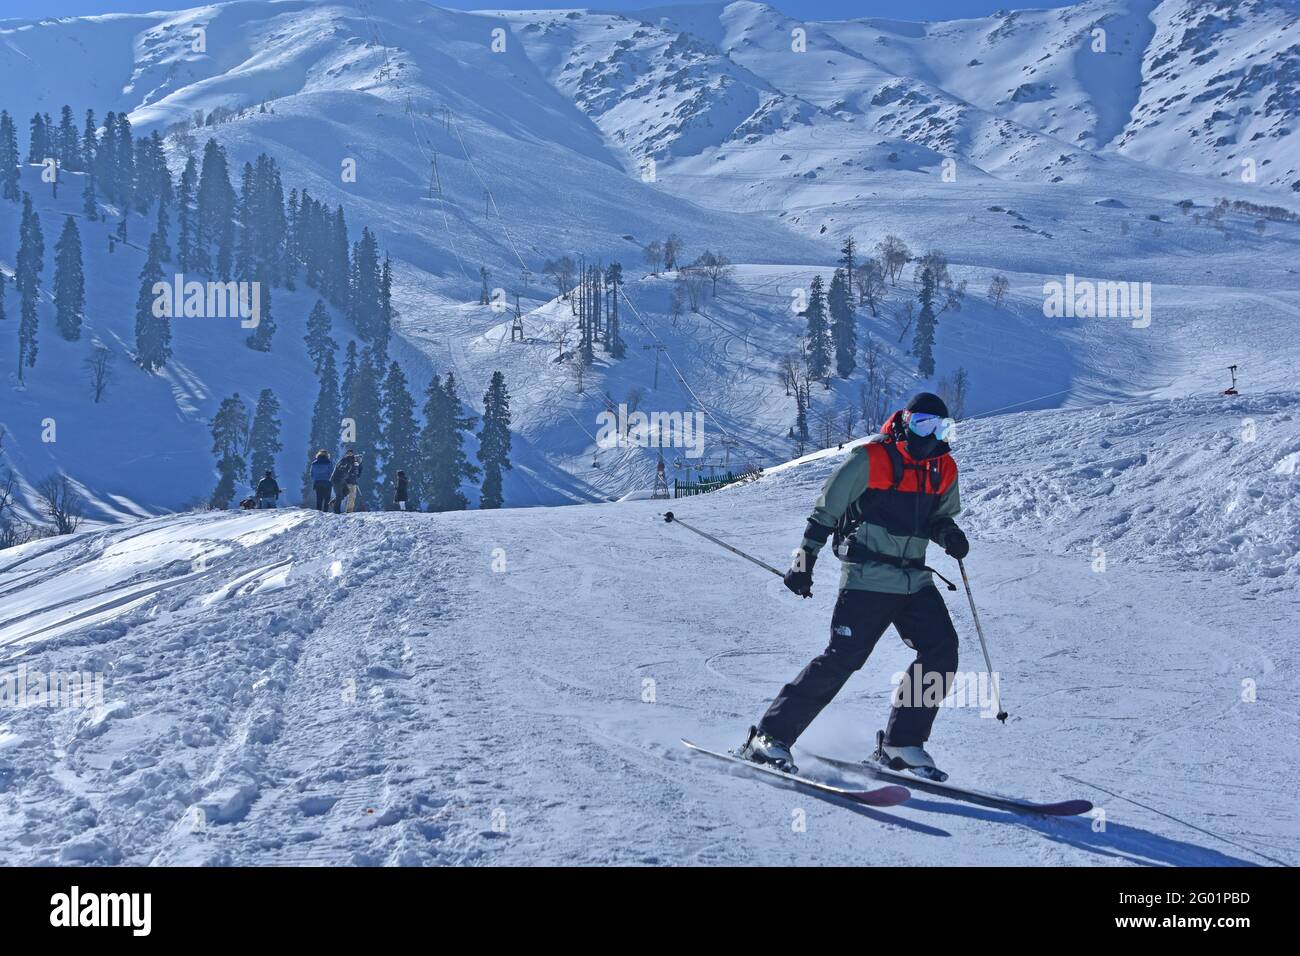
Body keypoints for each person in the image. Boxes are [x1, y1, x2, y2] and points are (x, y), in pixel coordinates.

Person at [740, 392, 970, 781]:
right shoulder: (870, 459)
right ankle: (768, 736)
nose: (928, 434)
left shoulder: (943, 468)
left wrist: (950, 534)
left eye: (938, 427)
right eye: (920, 424)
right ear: (904, 421)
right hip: (867, 577)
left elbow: (939, 517)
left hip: (913, 578)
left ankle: (902, 743)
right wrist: (803, 563)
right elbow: (823, 513)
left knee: (942, 651)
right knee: (843, 658)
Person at [330, 449, 362, 514]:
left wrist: (355, 469)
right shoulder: (343, 460)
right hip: (336, 479)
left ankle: (333, 502)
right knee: (339, 495)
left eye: (351, 453)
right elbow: (341, 468)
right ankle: (337, 511)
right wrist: (348, 469)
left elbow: (357, 470)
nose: (350, 455)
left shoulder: (353, 462)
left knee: (346, 491)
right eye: (348, 453)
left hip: (342, 479)